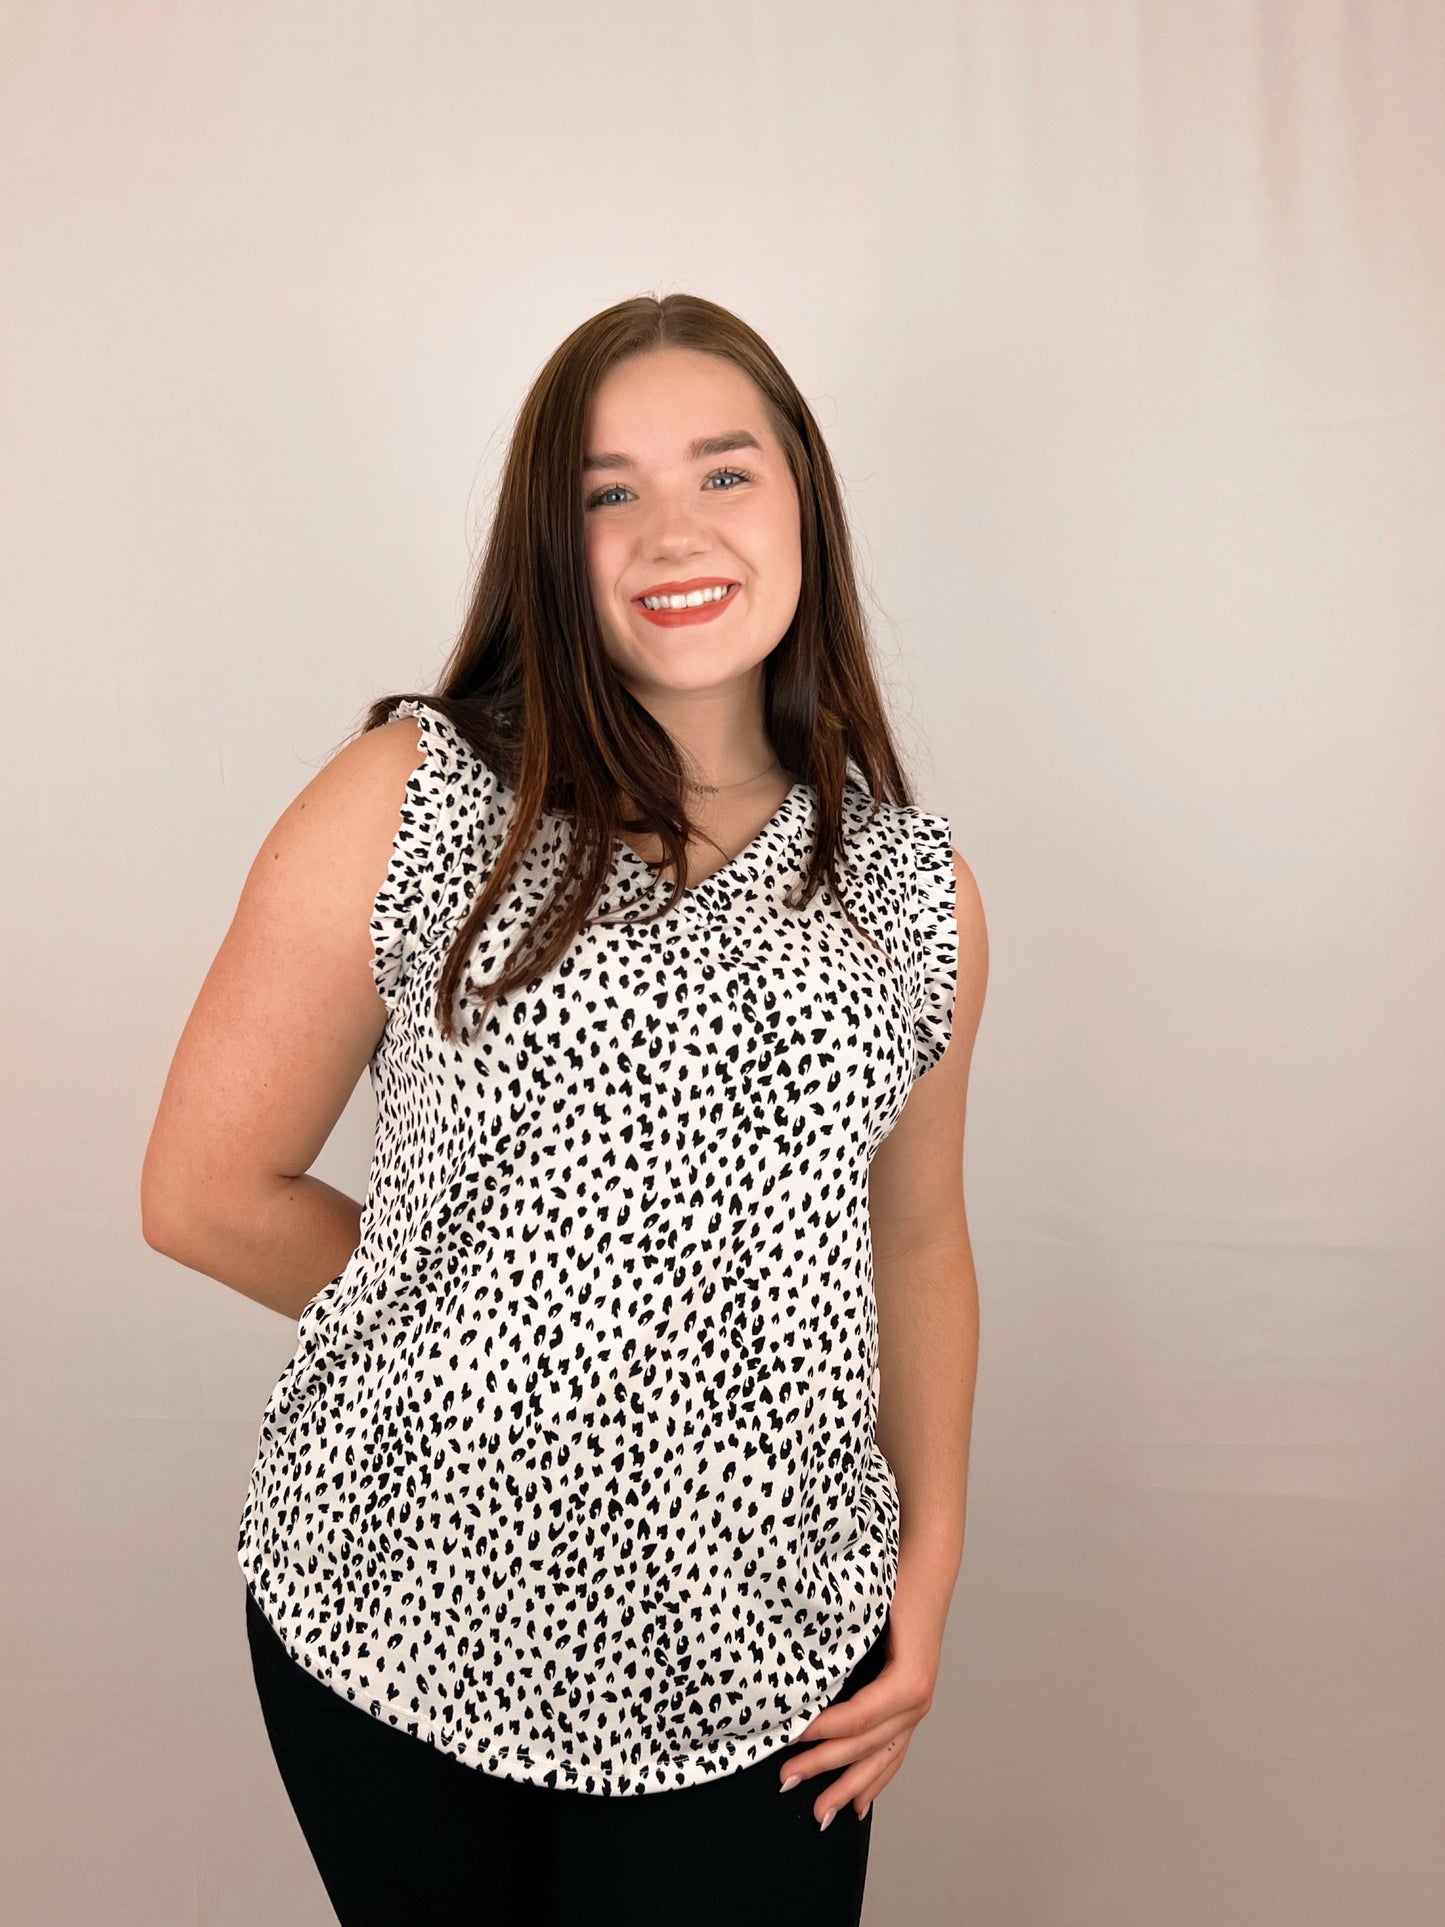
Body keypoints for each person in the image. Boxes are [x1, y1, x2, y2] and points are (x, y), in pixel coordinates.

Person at [141, 291, 988, 1926]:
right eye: (608, 492)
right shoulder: (414, 795)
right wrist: (507, 1333)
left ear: (802, 500)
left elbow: (920, 1242)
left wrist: (926, 1578)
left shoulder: (910, 891)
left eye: (723, 474)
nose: (671, 529)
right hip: (401, 1611)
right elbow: (204, 1192)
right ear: (553, 539)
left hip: (770, 1639)